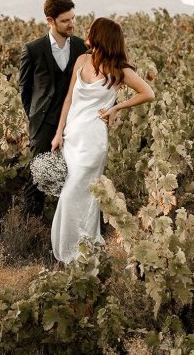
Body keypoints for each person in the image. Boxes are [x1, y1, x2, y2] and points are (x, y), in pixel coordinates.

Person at [50, 17, 155, 264]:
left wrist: (117, 107)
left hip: (93, 140)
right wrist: (58, 132)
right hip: (72, 137)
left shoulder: (120, 70)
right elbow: (68, 99)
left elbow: (148, 93)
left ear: (100, 36)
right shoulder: (81, 60)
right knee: (77, 193)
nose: (87, 33)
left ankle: (75, 252)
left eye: (92, 30)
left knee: (73, 193)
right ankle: (78, 253)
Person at [19, 0, 88, 218]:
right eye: (66, 20)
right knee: (37, 177)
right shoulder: (33, 49)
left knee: (74, 176)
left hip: (74, 123)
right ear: (50, 21)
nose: (72, 24)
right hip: (43, 124)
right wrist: (35, 118)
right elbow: (25, 90)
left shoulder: (81, 46)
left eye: (73, 18)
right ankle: (30, 229)